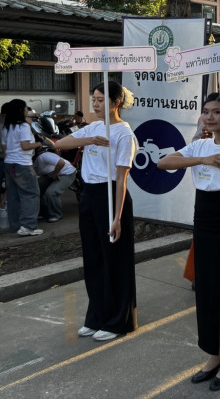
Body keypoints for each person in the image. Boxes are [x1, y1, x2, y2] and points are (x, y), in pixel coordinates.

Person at [158, 92, 220, 391]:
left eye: (217, 112)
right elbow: (164, 163)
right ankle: (216, 351)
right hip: (204, 220)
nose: (210, 117)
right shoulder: (200, 145)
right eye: (206, 111)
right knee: (209, 291)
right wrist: (203, 159)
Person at [54, 82, 137, 341]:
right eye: (95, 99)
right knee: (93, 259)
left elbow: (122, 178)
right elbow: (61, 143)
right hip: (89, 195)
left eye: (101, 99)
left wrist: (117, 217)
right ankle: (97, 317)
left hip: (111, 196)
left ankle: (118, 321)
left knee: (115, 260)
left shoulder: (124, 134)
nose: (96, 104)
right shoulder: (93, 127)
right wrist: (89, 139)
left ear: (116, 103)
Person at [2, 99, 51, 236]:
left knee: (13, 196)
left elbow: (4, 149)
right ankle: (29, 226)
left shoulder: (6, 127)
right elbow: (25, 146)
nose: (27, 110)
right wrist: (38, 144)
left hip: (9, 164)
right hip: (23, 164)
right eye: (25, 108)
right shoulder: (23, 126)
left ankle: (15, 226)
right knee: (31, 194)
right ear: (20, 110)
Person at [35, 150, 76, 223]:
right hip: (49, 174)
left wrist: (54, 174)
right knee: (36, 189)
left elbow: (61, 163)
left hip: (66, 173)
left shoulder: (44, 156)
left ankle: (56, 215)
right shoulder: (30, 162)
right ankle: (43, 212)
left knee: (51, 192)